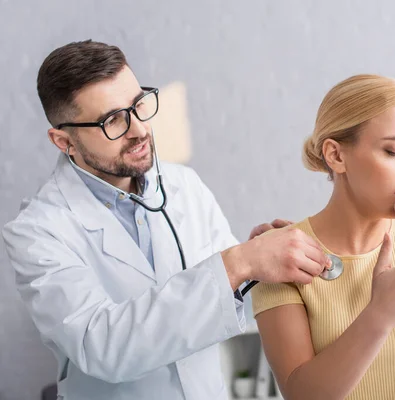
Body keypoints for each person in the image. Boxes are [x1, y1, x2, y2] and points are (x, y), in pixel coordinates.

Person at [1, 40, 332, 400]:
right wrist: (238, 263)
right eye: (113, 120)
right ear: (64, 141)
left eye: (139, 104)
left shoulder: (183, 185)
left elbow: (225, 307)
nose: (139, 129)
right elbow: (102, 348)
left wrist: (257, 267)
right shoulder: (37, 232)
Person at [251, 74, 395, 399]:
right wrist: (382, 314)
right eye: (393, 151)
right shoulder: (282, 255)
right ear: (336, 156)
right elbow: (302, 395)